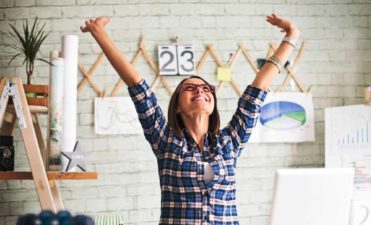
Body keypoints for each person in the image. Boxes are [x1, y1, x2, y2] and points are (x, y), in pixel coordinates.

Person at [81, 13, 300, 225]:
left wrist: (291, 36)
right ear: (177, 105)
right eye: (190, 88)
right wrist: (99, 33)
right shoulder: (166, 141)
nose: (201, 91)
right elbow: (139, 88)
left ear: (212, 102)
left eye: (206, 89)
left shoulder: (229, 142)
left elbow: (257, 91)